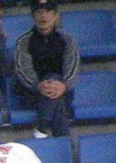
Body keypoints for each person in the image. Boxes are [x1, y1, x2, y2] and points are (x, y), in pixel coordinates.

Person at [14, 0, 79, 139]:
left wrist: (63, 86)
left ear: (55, 16)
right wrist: (38, 85)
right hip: (32, 93)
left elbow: (72, 67)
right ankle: (64, 142)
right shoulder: (24, 41)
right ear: (32, 17)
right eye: (39, 12)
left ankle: (43, 125)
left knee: (54, 83)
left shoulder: (67, 40)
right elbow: (23, 70)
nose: (43, 17)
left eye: (48, 12)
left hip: (62, 90)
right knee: (56, 97)